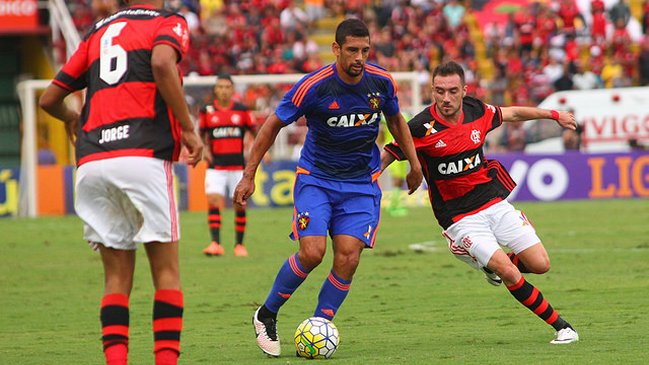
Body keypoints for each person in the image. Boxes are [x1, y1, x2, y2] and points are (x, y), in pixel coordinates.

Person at [233, 18, 422, 357]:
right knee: (312, 253)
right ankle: (267, 314)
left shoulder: (382, 83)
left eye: (365, 50)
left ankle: (319, 325)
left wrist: (414, 163)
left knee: (348, 257)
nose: (359, 57)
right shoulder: (314, 86)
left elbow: (396, 120)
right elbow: (272, 124)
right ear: (336, 49)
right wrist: (249, 174)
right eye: (352, 50)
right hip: (316, 179)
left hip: (361, 183)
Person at [38, 1, 203, 364]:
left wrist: (74, 118)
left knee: (116, 279)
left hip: (94, 160)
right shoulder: (166, 22)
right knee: (166, 273)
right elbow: (162, 63)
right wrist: (189, 129)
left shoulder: (97, 32)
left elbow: (49, 99)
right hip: (142, 154)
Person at [381, 61, 579, 345]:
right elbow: (388, 154)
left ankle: (490, 265)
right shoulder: (419, 128)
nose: (445, 98)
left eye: (452, 91)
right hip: (460, 218)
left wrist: (553, 114)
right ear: (432, 91)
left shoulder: (477, 111)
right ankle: (563, 327)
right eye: (439, 91)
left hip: (493, 203)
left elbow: (512, 113)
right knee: (509, 271)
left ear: (464, 90)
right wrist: (366, 181)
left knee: (540, 264)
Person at [200, 74, 256, 257]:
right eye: (220, 87)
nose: (223, 90)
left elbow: (255, 133)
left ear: (232, 90)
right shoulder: (207, 111)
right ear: (215, 90)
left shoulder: (242, 110)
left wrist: (261, 151)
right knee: (214, 202)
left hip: (237, 167)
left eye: (227, 87)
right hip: (215, 166)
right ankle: (215, 243)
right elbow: (201, 135)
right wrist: (204, 151)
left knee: (239, 205)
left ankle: (239, 245)